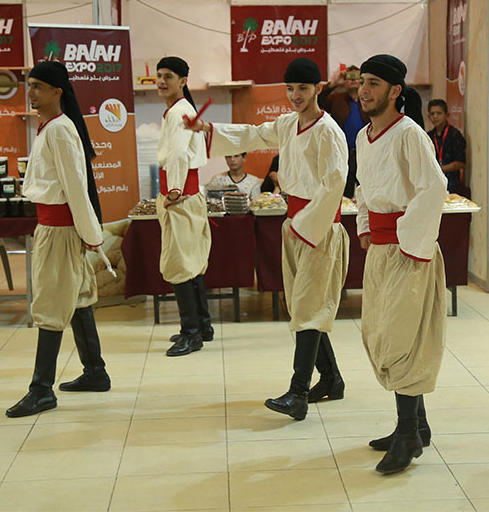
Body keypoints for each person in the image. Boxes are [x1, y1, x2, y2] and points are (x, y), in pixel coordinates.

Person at [187, 57, 350, 419]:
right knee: (303, 307)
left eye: (302, 89)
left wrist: (307, 227)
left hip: (319, 228)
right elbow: (254, 134)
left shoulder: (328, 131)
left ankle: (298, 392)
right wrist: (207, 129)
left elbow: (334, 185)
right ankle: (332, 379)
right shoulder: (289, 124)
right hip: (295, 223)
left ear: (318, 89)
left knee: (308, 307)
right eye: (290, 89)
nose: (295, 95)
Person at [354, 54, 447, 475]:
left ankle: (408, 434)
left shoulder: (410, 134)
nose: (364, 90)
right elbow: (362, 186)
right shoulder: (364, 137)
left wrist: (409, 241)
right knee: (382, 333)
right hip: (381, 250)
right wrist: (365, 225)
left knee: (402, 339)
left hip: (408, 251)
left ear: (395, 91)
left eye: (373, 83)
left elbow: (435, 187)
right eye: (362, 82)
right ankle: (417, 425)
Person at [6, 61, 112, 418]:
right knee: (77, 297)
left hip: (61, 230)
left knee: (51, 306)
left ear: (57, 92)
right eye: (29, 85)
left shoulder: (61, 130)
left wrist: (90, 236)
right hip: (54, 228)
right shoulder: (50, 127)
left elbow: (77, 189)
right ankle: (95, 372)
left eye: (38, 86)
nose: (31, 92)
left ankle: (41, 390)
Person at [154, 56, 214, 357]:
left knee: (180, 264)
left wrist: (174, 192)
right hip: (187, 198)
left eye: (169, 76)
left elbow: (177, 155)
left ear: (183, 81)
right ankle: (202, 325)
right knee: (191, 263)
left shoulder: (179, 112)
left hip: (180, 197)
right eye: (159, 75)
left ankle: (192, 334)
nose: (162, 81)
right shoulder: (180, 109)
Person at [319, 65, 366, 198]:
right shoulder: (336, 99)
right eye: (349, 77)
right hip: (343, 154)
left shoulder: (369, 99)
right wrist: (334, 83)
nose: (353, 80)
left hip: (365, 153)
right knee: (344, 194)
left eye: (356, 76)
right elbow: (317, 100)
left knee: (368, 192)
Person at [426, 99, 466, 194]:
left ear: (447, 115)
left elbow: (460, 163)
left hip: (452, 183)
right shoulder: (428, 136)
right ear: (428, 116)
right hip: (432, 182)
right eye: (432, 114)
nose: (435, 116)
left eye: (439, 113)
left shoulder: (454, 134)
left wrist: (440, 169)